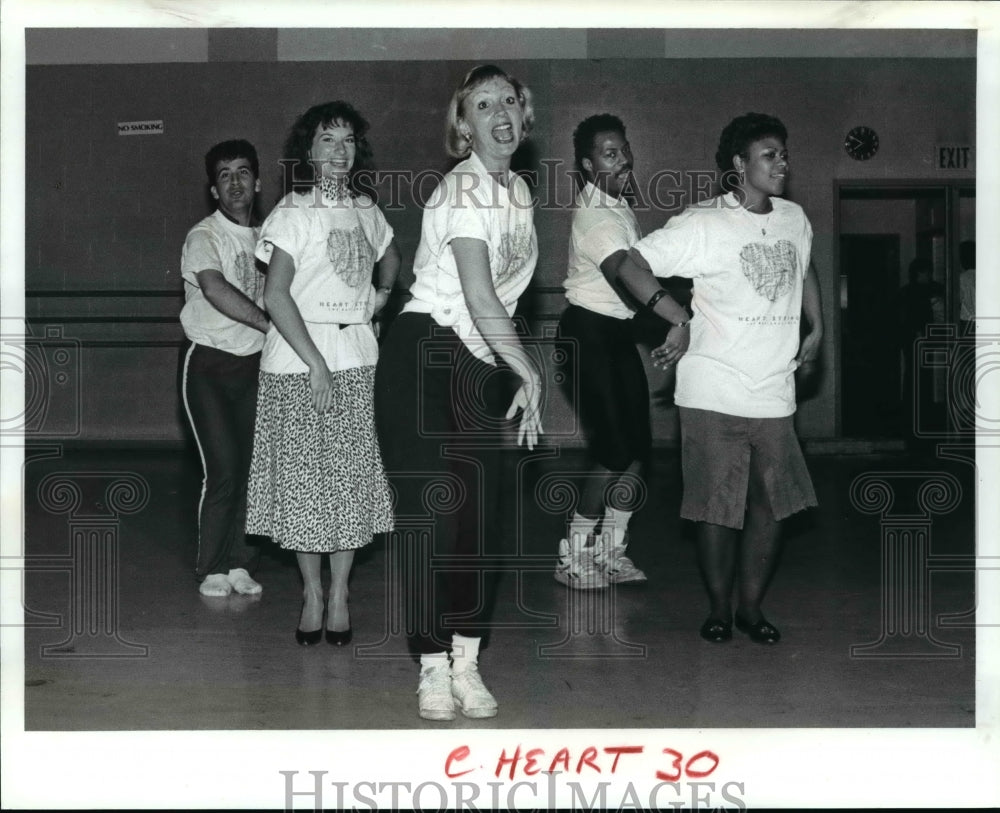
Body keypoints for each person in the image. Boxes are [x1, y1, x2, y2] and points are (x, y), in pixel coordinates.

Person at [613, 112, 823, 644]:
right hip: (712, 387)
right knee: (715, 508)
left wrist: (817, 326)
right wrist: (674, 316)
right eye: (769, 154)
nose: (782, 162)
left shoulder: (795, 217)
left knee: (770, 506)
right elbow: (628, 263)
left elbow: (804, 266)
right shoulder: (703, 222)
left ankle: (751, 608)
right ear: (739, 165)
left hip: (774, 387)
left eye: (784, 152)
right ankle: (719, 609)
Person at [374, 65, 542, 721]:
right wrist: (528, 370)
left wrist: (510, 367)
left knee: (481, 521)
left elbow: (507, 298)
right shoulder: (462, 188)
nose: (499, 113)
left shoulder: (521, 194)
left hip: (476, 362)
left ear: (522, 116)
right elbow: (477, 292)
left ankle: (467, 661)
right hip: (422, 353)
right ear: (463, 125)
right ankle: (430, 667)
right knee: (433, 515)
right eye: (482, 104)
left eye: (508, 101)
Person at [246, 101, 400, 646]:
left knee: (349, 485)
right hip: (298, 361)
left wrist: (379, 298)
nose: (339, 151)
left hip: (356, 357)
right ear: (307, 152)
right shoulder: (294, 212)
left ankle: (340, 593)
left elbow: (390, 255)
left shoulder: (365, 209)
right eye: (327, 141)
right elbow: (274, 293)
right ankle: (311, 591)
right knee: (304, 486)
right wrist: (315, 362)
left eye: (348, 140)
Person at [553, 113, 650, 590]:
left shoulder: (618, 207)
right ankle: (572, 556)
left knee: (636, 450)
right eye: (611, 154)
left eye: (625, 149)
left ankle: (611, 550)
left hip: (616, 333)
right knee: (613, 450)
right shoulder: (594, 213)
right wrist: (676, 315)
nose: (625, 160)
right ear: (589, 165)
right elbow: (624, 273)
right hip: (586, 334)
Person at [180, 139, 270, 598]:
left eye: (242, 172)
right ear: (214, 190)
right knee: (224, 469)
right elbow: (214, 289)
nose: (235, 182)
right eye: (224, 175)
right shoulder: (204, 235)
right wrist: (268, 322)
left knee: (255, 470)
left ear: (257, 180)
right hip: (210, 365)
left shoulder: (269, 237)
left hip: (256, 365)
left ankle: (240, 562)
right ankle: (212, 566)